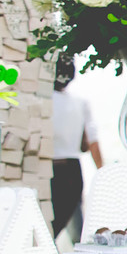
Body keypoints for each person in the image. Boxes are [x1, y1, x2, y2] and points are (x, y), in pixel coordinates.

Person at [50, 56, 102, 239]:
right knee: (77, 232)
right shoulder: (80, 103)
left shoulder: (43, 99)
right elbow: (91, 143)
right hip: (72, 171)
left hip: (48, 168)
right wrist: (103, 174)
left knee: (47, 228)